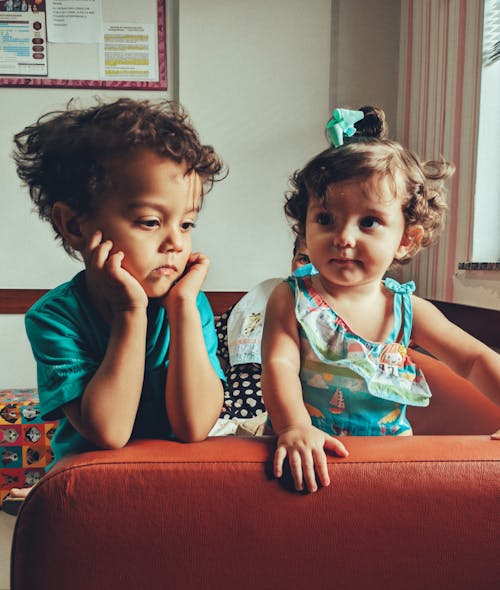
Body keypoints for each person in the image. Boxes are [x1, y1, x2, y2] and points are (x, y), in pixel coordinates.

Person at [261, 105, 500, 493]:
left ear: (406, 239)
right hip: (306, 454)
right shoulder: (291, 299)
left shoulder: (407, 310)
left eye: (368, 222)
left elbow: (474, 360)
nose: (343, 237)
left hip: (387, 466)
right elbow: (279, 364)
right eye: (325, 219)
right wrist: (294, 427)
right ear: (303, 228)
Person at [6, 98, 226, 508]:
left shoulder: (187, 304)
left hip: (178, 487)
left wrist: (183, 312)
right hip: (93, 493)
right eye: (150, 221)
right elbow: (109, 432)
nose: (176, 242)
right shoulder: (54, 318)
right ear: (74, 225)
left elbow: (195, 426)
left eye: (186, 223)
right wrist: (131, 313)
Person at [210, 236, 313, 436]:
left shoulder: (334, 315)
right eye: (304, 259)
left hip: (287, 419)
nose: (310, 269)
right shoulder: (259, 299)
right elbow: (217, 356)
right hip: (229, 410)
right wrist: (214, 398)